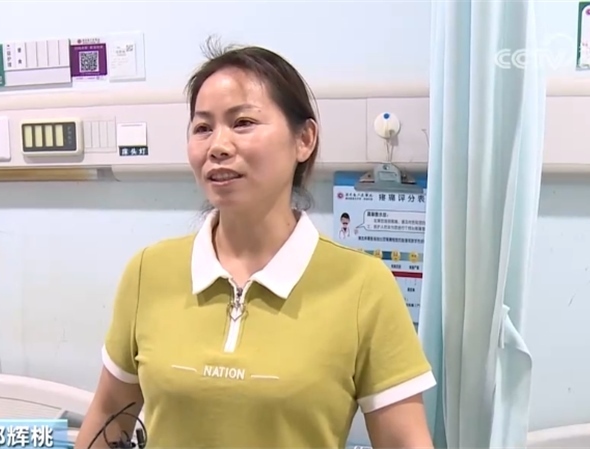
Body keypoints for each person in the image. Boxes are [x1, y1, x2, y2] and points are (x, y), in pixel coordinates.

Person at [75, 39, 436, 449]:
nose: (218, 146)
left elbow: (406, 441)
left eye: (243, 122)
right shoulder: (148, 272)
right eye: (203, 128)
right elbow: (109, 415)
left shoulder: (362, 286)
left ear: (304, 140)